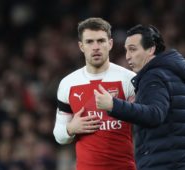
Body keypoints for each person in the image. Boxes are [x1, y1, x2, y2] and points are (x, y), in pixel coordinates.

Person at [94, 24, 185, 169]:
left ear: (151, 49)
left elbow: (154, 115)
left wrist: (113, 105)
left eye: (133, 49)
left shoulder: (153, 76)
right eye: (126, 50)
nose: (127, 56)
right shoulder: (176, 76)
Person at [53, 18, 136, 170]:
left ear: (110, 44)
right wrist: (71, 128)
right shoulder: (68, 83)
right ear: (81, 46)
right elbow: (59, 135)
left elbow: (145, 121)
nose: (96, 47)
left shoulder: (128, 79)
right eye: (90, 42)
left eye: (101, 41)